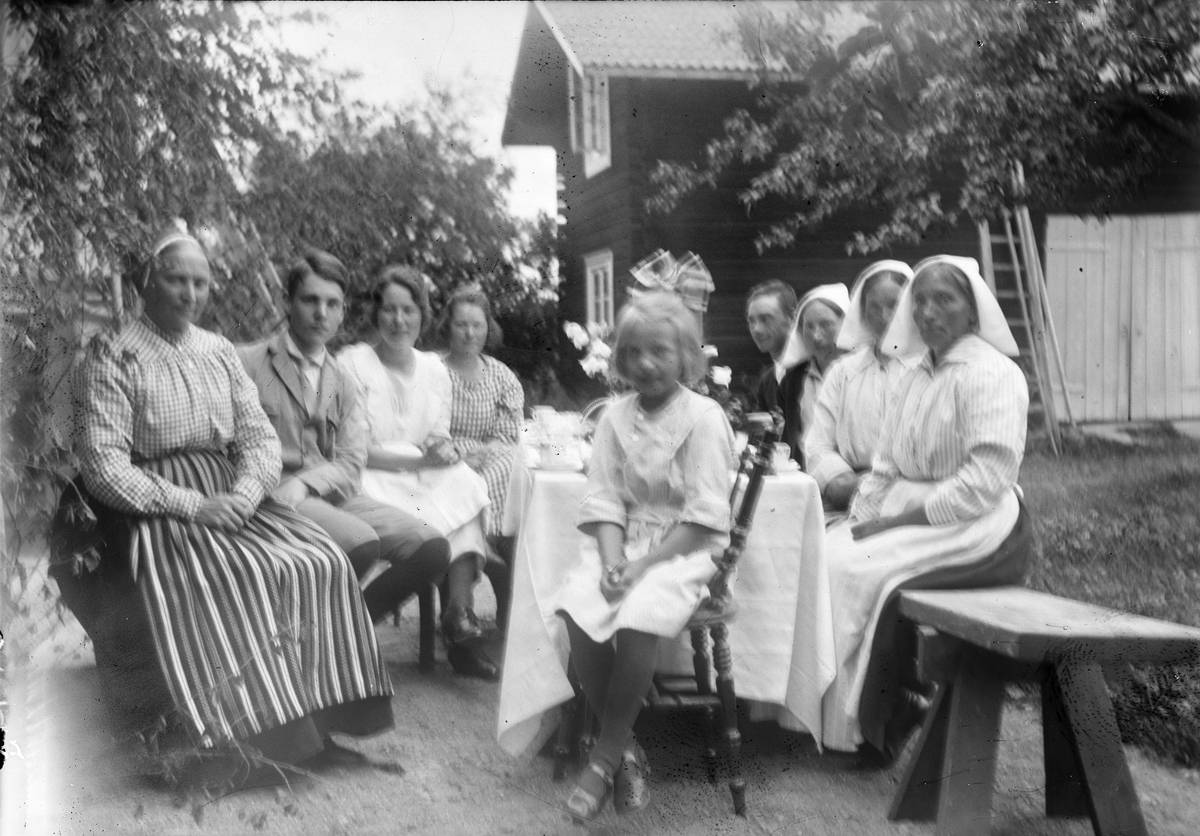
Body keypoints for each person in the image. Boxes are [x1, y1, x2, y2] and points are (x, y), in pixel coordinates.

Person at [52, 225, 393, 777]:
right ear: (145, 282)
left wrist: (246, 491)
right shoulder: (112, 354)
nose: (191, 294)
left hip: (227, 490)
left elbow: (258, 437)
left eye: (201, 283)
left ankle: (320, 727)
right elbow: (105, 467)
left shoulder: (217, 351)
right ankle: (244, 742)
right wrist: (194, 506)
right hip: (147, 505)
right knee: (234, 575)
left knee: (320, 560)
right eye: (176, 280)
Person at [819, 255, 1033, 766]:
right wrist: (861, 518)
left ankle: (881, 717)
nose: (928, 312)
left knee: (861, 573)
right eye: (920, 301)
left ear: (973, 310)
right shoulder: (914, 374)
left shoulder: (993, 373)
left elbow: (984, 480)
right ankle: (836, 722)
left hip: (976, 524)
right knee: (830, 554)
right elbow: (885, 465)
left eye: (945, 300)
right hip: (910, 508)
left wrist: (895, 523)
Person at [552, 292, 735, 818]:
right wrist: (615, 564)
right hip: (628, 543)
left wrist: (639, 570)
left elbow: (704, 518)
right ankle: (627, 747)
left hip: (687, 549)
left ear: (686, 357)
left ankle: (604, 759)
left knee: (636, 615)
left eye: (660, 351)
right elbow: (605, 499)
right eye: (633, 352)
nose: (646, 364)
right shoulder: (615, 416)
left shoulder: (703, 417)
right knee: (579, 605)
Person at [239, 249, 451, 626]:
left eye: (332, 304)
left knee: (431, 547)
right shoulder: (250, 363)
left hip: (331, 495)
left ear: (342, 312)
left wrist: (307, 484)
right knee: (360, 543)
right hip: (273, 495)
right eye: (310, 300)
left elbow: (352, 461)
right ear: (288, 302)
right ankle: (317, 638)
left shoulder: (341, 379)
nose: (321, 313)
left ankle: (349, 631)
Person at [340, 266, 499, 680]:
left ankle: (457, 615)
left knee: (466, 482)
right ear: (375, 314)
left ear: (422, 315)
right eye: (389, 310)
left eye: (408, 310)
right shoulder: (353, 364)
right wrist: (419, 462)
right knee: (450, 512)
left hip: (420, 474)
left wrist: (442, 449)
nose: (398, 320)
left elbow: (436, 433)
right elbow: (353, 449)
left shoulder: (433, 369)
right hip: (373, 475)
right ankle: (456, 633)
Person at [436, 286, 524, 629]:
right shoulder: (433, 371)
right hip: (445, 458)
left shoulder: (501, 375)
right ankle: (486, 550)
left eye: (477, 325)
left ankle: (489, 541)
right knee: (461, 480)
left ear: (489, 327)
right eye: (461, 324)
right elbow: (427, 426)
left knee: (509, 464)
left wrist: (480, 455)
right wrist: (458, 455)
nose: (469, 333)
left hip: (492, 457)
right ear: (448, 326)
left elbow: (507, 433)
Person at [805, 261, 914, 516]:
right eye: (874, 307)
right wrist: (838, 480)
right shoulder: (843, 372)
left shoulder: (927, 368)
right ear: (862, 313)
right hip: (847, 495)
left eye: (894, 305)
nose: (884, 316)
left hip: (909, 495)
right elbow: (818, 443)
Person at [746, 279, 799, 449]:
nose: (756, 329)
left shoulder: (809, 372)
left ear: (792, 318)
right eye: (751, 321)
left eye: (765, 319)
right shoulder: (768, 380)